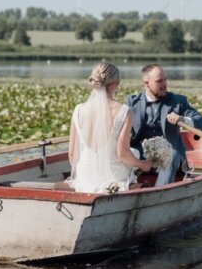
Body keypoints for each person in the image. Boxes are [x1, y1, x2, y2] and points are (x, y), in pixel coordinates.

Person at [56, 62, 143, 193]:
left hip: (85, 176)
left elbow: (72, 154)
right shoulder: (123, 111)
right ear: (114, 84)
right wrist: (144, 165)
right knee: (134, 154)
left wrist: (85, 174)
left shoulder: (78, 110)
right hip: (113, 177)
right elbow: (123, 154)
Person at [125, 64, 202, 186]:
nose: (164, 84)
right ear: (146, 83)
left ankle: (160, 193)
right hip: (141, 155)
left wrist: (183, 120)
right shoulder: (132, 102)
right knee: (127, 152)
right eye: (159, 81)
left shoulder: (178, 101)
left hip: (170, 155)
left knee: (171, 155)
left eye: (165, 79)